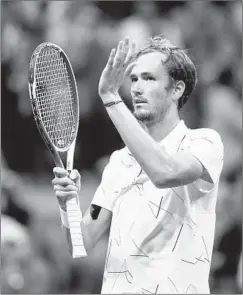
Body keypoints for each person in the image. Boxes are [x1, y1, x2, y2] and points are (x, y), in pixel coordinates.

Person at [52, 35, 224, 294]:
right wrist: (69, 206)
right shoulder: (119, 162)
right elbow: (82, 244)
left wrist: (110, 97)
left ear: (177, 89)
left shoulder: (204, 143)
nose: (136, 88)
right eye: (133, 79)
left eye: (149, 78)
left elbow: (164, 172)